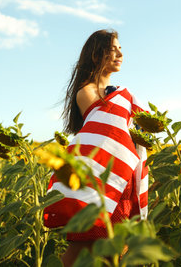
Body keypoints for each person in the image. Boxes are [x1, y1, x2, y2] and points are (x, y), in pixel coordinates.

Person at [43, 29, 149, 266]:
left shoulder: (122, 95)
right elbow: (107, 132)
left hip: (123, 176)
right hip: (98, 176)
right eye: (113, 49)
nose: (120, 54)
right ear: (96, 54)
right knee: (82, 247)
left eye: (121, 49)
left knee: (116, 249)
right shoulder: (87, 92)